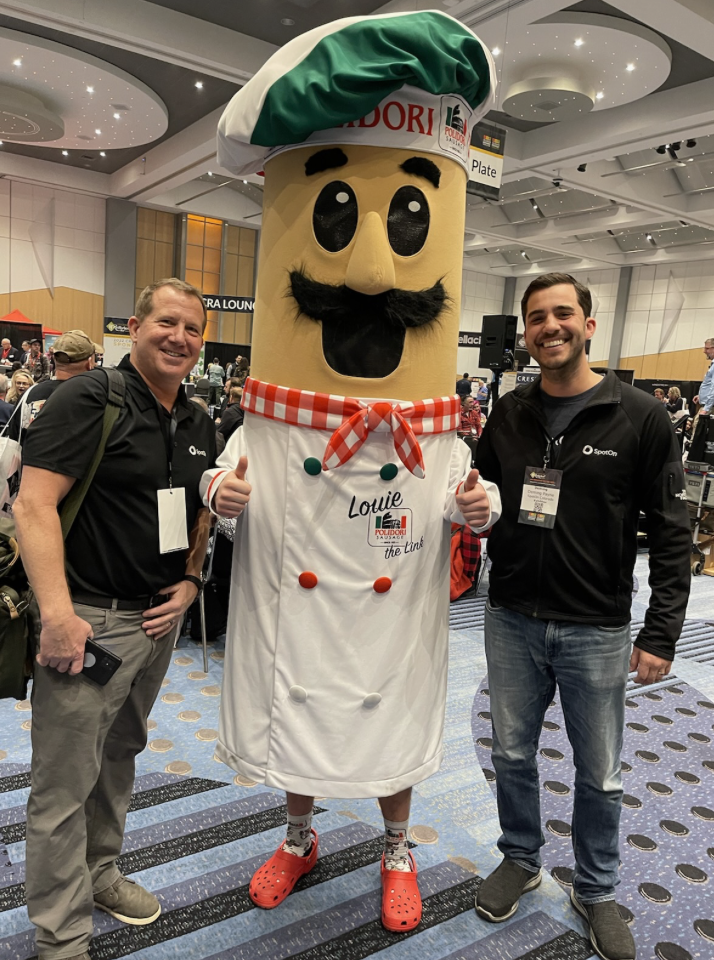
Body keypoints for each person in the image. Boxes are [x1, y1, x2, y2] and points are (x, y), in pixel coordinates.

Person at [203, 8, 499, 934]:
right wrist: (222, 492)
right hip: (301, 614)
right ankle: (297, 837)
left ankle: (398, 848)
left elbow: (469, 512)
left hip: (390, 622)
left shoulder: (442, 431)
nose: (373, 269)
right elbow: (220, 484)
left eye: (412, 217)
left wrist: (479, 508)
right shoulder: (266, 418)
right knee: (302, 706)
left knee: (391, 716)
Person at [473, 273, 691, 960]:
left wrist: (660, 633)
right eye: (536, 317)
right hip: (510, 614)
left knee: (601, 773)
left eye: (562, 313)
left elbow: (674, 531)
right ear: (527, 332)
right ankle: (520, 857)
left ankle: (595, 889)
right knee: (511, 752)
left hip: (596, 626)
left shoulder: (641, 417)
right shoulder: (507, 413)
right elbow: (476, 497)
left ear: (589, 325)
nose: (549, 327)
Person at [13, 278, 216, 960]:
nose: (179, 337)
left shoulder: (197, 418)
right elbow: (33, 507)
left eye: (192, 328)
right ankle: (61, 933)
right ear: (136, 324)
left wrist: (190, 579)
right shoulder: (88, 397)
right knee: (63, 783)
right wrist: (59, 615)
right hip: (89, 623)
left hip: (160, 623)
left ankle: (101, 874)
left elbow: (201, 511)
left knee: (120, 756)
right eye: (167, 321)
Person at [6, 329, 96, 445]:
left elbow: (14, 441)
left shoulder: (28, 395)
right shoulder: (94, 399)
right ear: (89, 363)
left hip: (28, 460)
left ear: (54, 358)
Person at [215, 384, 243, 453]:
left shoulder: (230, 411)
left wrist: (217, 424)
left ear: (231, 397)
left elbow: (220, 432)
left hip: (230, 445)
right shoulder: (245, 410)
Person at [692, 337, 714, 414]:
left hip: (709, 408)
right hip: (708, 406)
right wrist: (701, 396)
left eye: (707, 348)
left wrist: (706, 408)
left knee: (697, 425)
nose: (704, 351)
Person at [458, 395, 482, 465]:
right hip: (465, 437)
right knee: (473, 443)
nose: (472, 404)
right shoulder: (459, 414)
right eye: (470, 402)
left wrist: (479, 435)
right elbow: (460, 430)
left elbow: (478, 426)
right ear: (464, 404)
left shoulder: (474, 413)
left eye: (473, 402)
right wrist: (471, 437)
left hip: (475, 436)